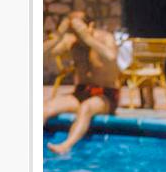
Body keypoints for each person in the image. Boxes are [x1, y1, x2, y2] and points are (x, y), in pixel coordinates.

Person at [43, 12, 121, 155]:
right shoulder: (71, 40)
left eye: (78, 28)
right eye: (73, 29)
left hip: (105, 94)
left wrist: (87, 38)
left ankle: (65, 146)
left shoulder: (105, 38)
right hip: (81, 92)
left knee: (86, 108)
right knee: (44, 108)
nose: (76, 34)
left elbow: (111, 56)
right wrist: (59, 36)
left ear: (90, 25)